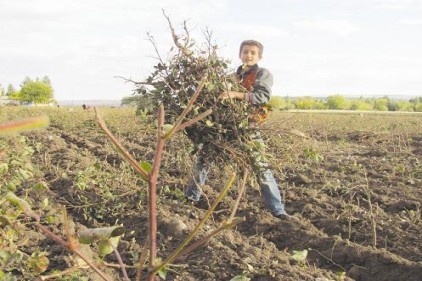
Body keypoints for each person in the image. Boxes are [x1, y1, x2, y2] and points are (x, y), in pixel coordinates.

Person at [185, 40, 291, 220]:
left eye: (252, 53)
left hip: (248, 128)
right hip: (225, 127)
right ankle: (190, 198)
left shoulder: (262, 73)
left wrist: (236, 94)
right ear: (239, 54)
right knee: (203, 160)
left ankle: (278, 210)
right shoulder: (232, 77)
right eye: (245, 52)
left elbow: (262, 96)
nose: (248, 55)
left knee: (261, 167)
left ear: (259, 57)